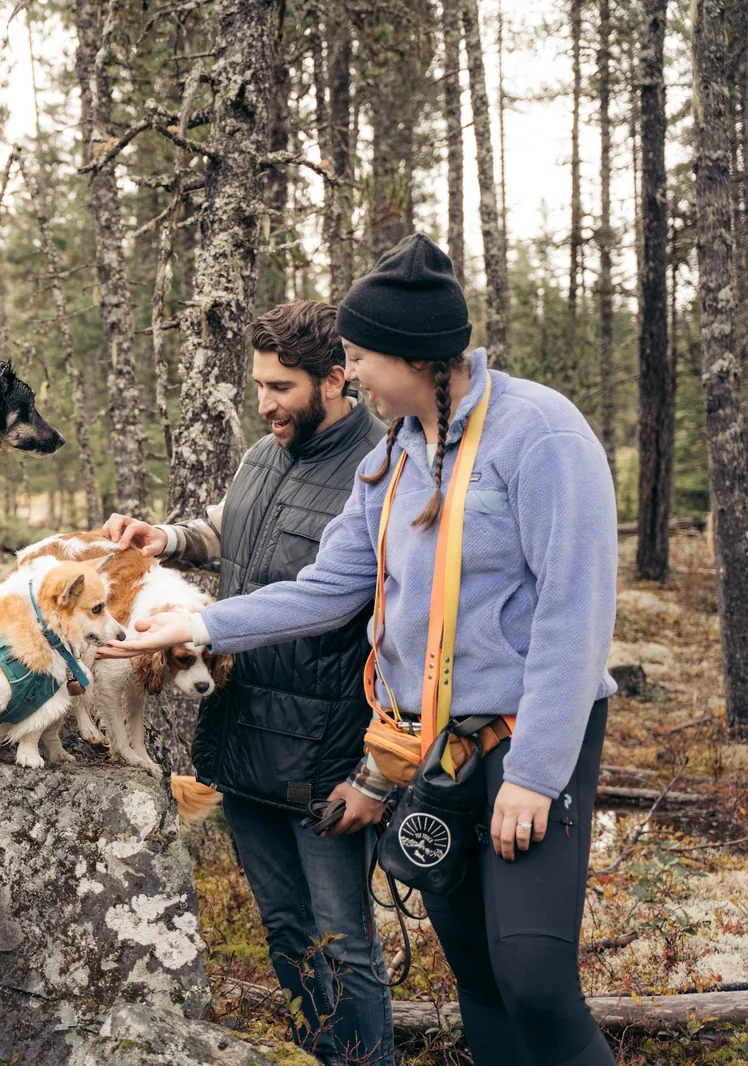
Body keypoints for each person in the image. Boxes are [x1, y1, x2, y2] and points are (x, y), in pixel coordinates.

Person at [103, 234, 619, 1066]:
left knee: (533, 976)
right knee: (478, 973)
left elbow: (576, 610)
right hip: (432, 748)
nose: (356, 375)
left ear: (414, 356)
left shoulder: (542, 436)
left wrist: (532, 776)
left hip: (529, 740)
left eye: (361, 357)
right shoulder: (395, 455)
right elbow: (325, 588)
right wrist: (198, 628)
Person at [105, 299, 393, 1066]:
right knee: (286, 934)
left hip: (326, 756)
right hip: (242, 739)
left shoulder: (381, 469)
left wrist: (378, 767)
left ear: (337, 380)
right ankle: (312, 1053)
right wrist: (161, 537)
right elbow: (229, 528)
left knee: (345, 949)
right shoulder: (265, 452)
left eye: (281, 387)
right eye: (259, 384)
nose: (264, 403)